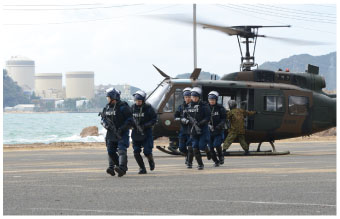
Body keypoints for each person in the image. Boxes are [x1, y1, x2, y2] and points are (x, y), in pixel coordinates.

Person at [100, 88, 133, 177]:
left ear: (113, 97)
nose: (108, 99)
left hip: (122, 133)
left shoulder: (123, 107)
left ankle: (122, 168)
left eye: (109, 97)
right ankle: (117, 166)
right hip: (111, 133)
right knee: (110, 151)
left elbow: (130, 120)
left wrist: (122, 128)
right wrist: (106, 125)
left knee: (122, 150)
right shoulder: (107, 107)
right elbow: (102, 119)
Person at [131, 90, 157, 174]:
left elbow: (154, 119)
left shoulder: (148, 108)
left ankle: (151, 160)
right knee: (136, 151)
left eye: (139, 101)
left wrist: (145, 125)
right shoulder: (132, 108)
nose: (138, 102)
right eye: (136, 101)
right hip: (136, 133)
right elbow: (128, 119)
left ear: (143, 100)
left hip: (146, 132)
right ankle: (142, 168)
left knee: (147, 151)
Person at [186, 87, 211, 170]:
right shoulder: (189, 106)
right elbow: (185, 116)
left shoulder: (204, 105)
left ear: (199, 97)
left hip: (203, 129)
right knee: (195, 147)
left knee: (201, 146)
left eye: (196, 97)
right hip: (193, 130)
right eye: (193, 97)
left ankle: (207, 150)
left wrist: (200, 123)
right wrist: (186, 120)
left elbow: (208, 117)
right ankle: (200, 164)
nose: (194, 99)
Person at [174, 87, 193, 168]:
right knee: (181, 148)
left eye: (189, 97)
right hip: (183, 130)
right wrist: (182, 119)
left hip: (192, 130)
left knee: (190, 147)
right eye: (186, 97)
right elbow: (175, 117)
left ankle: (189, 162)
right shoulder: (181, 107)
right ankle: (187, 156)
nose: (187, 99)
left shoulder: (195, 106)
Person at [207, 91, 226, 167]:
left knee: (217, 144)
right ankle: (216, 161)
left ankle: (221, 156)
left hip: (218, 130)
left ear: (216, 100)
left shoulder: (220, 108)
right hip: (208, 131)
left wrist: (219, 125)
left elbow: (224, 118)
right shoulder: (205, 107)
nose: (211, 101)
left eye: (213, 100)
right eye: (210, 100)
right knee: (211, 148)